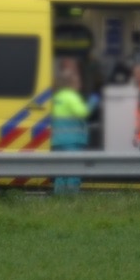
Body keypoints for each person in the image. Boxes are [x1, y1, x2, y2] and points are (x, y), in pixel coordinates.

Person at [48, 66, 89, 195]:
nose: (80, 84)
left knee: (60, 172)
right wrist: (93, 102)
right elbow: (82, 112)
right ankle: (71, 198)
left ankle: (59, 197)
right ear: (71, 83)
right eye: (78, 82)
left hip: (57, 141)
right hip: (73, 141)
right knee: (74, 171)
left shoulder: (55, 97)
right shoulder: (71, 96)